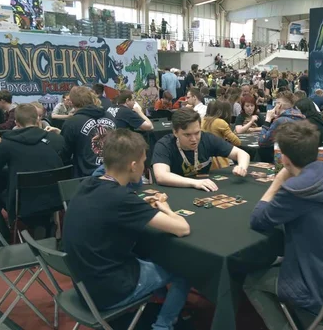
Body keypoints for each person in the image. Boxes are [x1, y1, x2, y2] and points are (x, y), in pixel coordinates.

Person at [244, 120, 323, 330]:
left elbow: (258, 220)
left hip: (320, 289)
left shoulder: (295, 189)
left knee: (252, 281)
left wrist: (278, 181)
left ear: (284, 157)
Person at [62, 129, 191, 330]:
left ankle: (155, 301)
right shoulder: (121, 199)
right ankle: (162, 325)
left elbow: (111, 209)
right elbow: (182, 228)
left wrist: (139, 204)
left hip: (84, 284)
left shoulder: (88, 183)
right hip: (109, 291)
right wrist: (166, 209)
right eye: (143, 162)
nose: (144, 166)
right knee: (185, 271)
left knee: (150, 256)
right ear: (133, 166)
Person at [0, 103, 67, 232]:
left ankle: (1, 234)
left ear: (17, 123)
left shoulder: (8, 144)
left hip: (22, 203)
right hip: (57, 199)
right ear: (37, 119)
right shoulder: (57, 140)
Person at [152, 108, 250, 192]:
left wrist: (242, 167)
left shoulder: (207, 139)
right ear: (175, 132)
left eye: (197, 133)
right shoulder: (164, 145)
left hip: (205, 191)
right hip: (174, 193)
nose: (194, 139)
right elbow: (161, 176)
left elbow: (242, 154)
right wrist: (195, 183)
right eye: (187, 135)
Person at [46, 86, 116, 177]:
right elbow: (85, 137)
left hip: (86, 178)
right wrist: (61, 132)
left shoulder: (72, 122)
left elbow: (65, 155)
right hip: (113, 173)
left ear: (71, 102)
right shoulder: (109, 116)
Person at [201, 100, 241, 169]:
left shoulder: (200, 120)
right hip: (219, 159)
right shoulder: (220, 122)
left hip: (203, 157)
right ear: (220, 111)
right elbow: (237, 142)